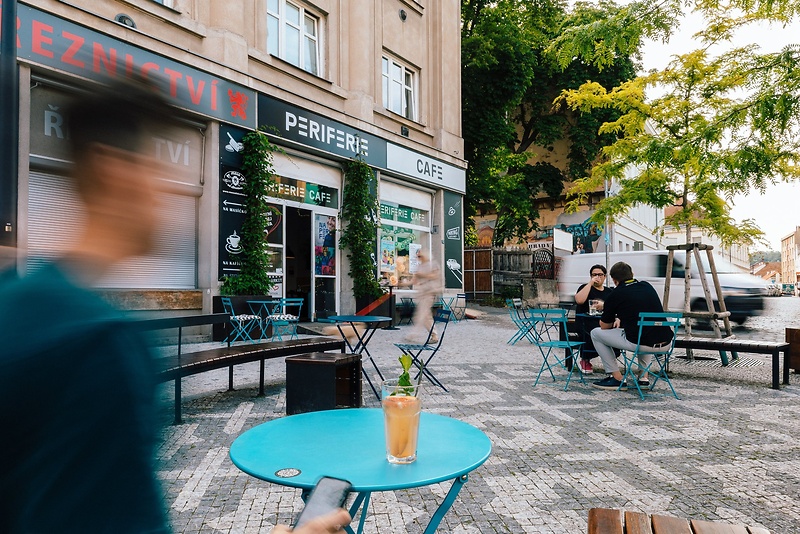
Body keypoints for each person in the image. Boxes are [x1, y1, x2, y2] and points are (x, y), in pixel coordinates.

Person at [590, 261, 675, 390]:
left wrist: (607, 307)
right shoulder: (647, 286)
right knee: (645, 328)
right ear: (632, 274)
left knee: (596, 333)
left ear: (614, 280)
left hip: (641, 343)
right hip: (666, 343)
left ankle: (617, 379)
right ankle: (643, 378)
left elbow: (605, 326)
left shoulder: (616, 293)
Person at [574, 264, 614, 374]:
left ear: (605, 276)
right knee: (591, 331)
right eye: (594, 275)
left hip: (604, 321)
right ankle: (585, 359)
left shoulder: (609, 292)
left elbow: (615, 307)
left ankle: (610, 362)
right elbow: (579, 300)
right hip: (586, 322)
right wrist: (590, 283)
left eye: (600, 274)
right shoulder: (585, 288)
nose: (597, 277)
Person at [406, 249, 442, 343]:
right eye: (418, 256)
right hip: (422, 293)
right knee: (426, 316)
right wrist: (400, 284)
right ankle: (434, 335)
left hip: (429, 292)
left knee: (421, 315)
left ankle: (413, 334)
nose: (418, 258)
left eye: (420, 256)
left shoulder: (433, 264)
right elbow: (414, 281)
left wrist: (422, 275)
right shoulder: (420, 266)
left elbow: (434, 276)